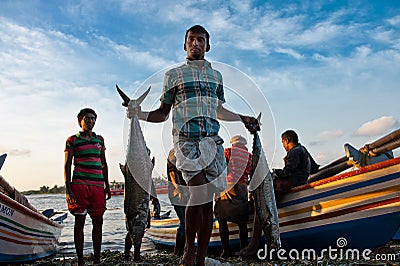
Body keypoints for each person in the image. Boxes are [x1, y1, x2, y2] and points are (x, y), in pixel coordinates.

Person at [126, 25, 259, 266]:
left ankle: (200, 256)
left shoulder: (216, 76)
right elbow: (162, 113)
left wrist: (242, 117)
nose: (195, 43)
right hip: (186, 142)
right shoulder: (174, 76)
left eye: (200, 40)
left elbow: (218, 110)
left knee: (207, 201)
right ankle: (188, 252)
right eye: (191, 40)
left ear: (208, 46)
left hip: (212, 143)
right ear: (184, 45)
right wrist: (139, 114)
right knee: (197, 193)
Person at [240, 129, 318, 257]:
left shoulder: (295, 151)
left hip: (292, 183)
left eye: (283, 143)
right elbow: (315, 168)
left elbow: (288, 172)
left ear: (287, 140)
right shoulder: (303, 150)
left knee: (262, 204)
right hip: (300, 181)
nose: (284, 146)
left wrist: (274, 173)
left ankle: (254, 244)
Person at [64, 108, 111, 266]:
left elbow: (104, 163)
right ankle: (81, 261)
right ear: (80, 121)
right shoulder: (72, 140)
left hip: (98, 186)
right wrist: (68, 188)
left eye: (93, 118)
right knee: (80, 222)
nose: (90, 121)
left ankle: (97, 260)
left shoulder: (100, 140)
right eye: (87, 118)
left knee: (98, 221)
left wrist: (107, 185)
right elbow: (67, 165)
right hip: (79, 185)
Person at [214, 135, 252, 258]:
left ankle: (226, 250)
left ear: (233, 143)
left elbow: (221, 169)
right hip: (242, 188)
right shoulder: (249, 156)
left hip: (228, 187)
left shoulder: (228, 152)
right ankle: (243, 249)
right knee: (242, 221)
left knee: (221, 218)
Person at [167, 148, 189, 256]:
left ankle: (182, 250)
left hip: (184, 193)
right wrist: (180, 190)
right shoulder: (175, 152)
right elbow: (172, 173)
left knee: (187, 222)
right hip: (177, 194)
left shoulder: (182, 152)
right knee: (184, 222)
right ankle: (178, 251)